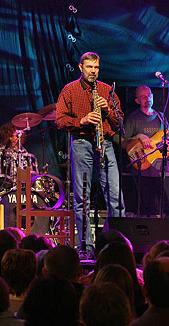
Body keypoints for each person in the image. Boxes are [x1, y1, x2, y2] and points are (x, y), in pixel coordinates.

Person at [55, 52, 124, 254]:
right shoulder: (70, 90)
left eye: (96, 67)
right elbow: (59, 120)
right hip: (82, 143)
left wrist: (108, 111)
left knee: (116, 197)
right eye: (89, 67)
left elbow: (119, 122)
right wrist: (82, 121)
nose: (93, 71)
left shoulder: (106, 90)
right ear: (80, 67)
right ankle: (86, 246)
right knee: (81, 198)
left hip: (106, 145)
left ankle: (113, 244)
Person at [122, 85, 169, 217]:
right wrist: (138, 136)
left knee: (166, 205)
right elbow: (121, 141)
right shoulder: (133, 118)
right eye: (143, 97)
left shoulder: (161, 117)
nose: (147, 98)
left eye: (149, 95)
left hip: (161, 168)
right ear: (137, 101)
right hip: (143, 169)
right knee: (147, 206)